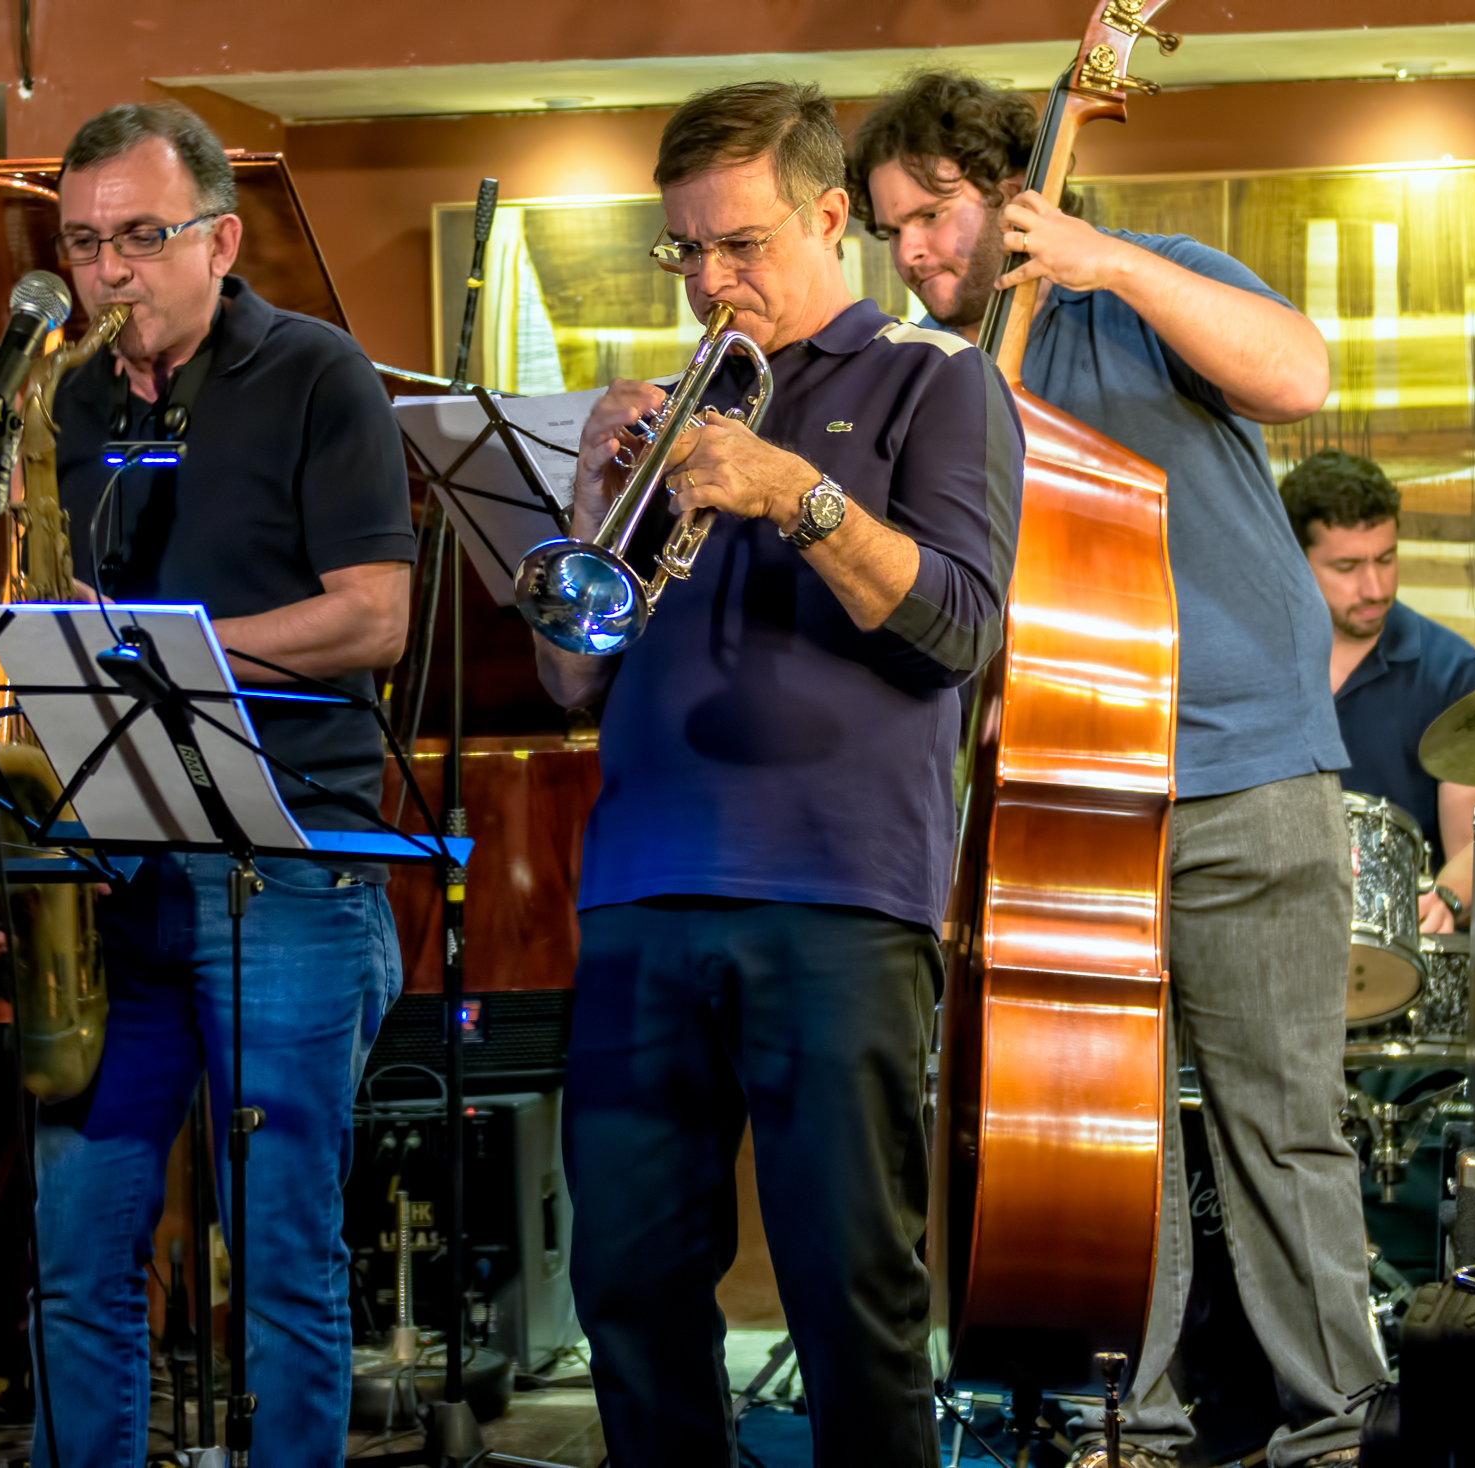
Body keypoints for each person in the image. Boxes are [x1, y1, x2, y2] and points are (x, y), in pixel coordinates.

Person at [853, 70, 1383, 1468]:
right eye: (890, 228)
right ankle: (1125, 1428)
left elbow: (1299, 374)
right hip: (1054, 797)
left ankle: (1336, 1426)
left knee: (1286, 1127)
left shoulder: (1131, 289)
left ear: (1013, 189)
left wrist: (1103, 261)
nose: (915, 252)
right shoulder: (925, 377)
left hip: (1249, 769)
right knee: (1097, 1145)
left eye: (937, 212)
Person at [535, 81, 1023, 1466]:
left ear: (829, 217)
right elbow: (576, 678)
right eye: (684, 251)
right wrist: (590, 504)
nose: (708, 280)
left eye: (738, 244)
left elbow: (958, 632)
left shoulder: (939, 380)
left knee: (850, 1295)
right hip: (638, 893)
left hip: (835, 897)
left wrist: (793, 493)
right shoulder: (672, 416)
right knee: (625, 1289)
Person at [31, 102, 415, 1467]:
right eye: (83, 242)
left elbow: (375, 617)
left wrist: (178, 647)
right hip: (115, 871)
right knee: (77, 1255)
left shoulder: (317, 373)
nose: (107, 269)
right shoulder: (68, 396)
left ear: (220, 237)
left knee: (283, 1266)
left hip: (292, 866)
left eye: (141, 235)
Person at [1283, 448, 1475, 928]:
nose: (1375, 586)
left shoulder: (1455, 672)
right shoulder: (1253, 664)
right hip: (1277, 933)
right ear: (1294, 561)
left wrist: (1448, 899)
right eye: (1347, 567)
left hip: (1398, 947)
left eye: (1386, 558)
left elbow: (1474, 851)